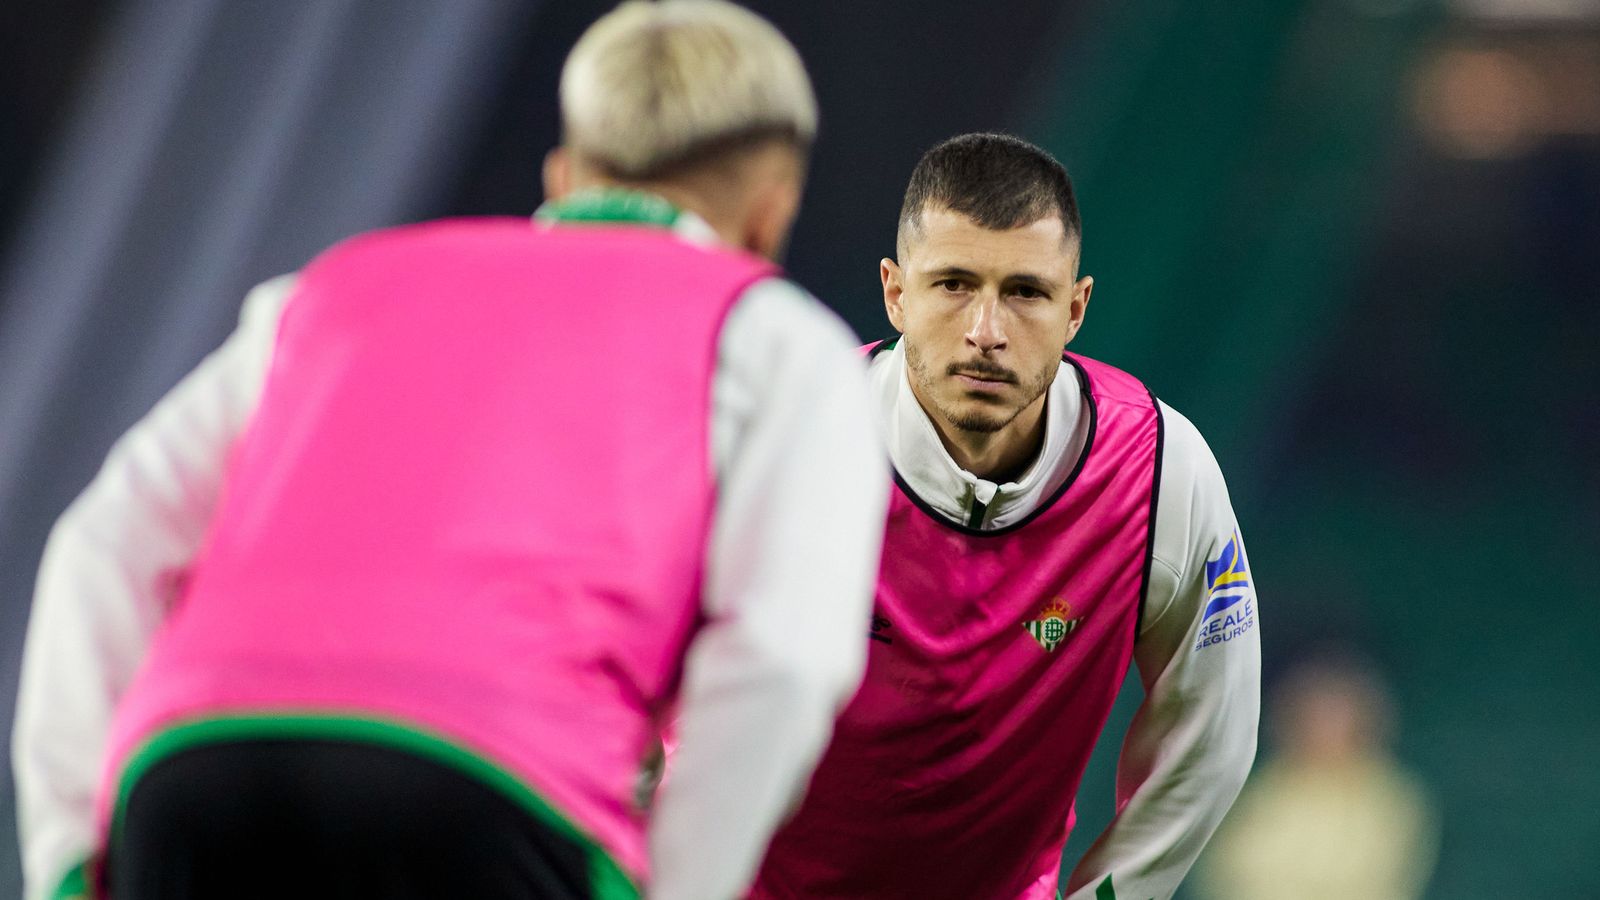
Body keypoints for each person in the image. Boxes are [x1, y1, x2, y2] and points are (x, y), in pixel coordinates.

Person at [11, 3, 888, 899]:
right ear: (769, 214)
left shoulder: (328, 291)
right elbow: (783, 655)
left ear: (564, 173)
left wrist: (68, 862)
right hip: (494, 791)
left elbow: (101, 544)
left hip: (195, 776)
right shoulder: (778, 339)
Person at [750, 133, 1261, 900]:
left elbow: (1210, 742)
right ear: (896, 294)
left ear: (1076, 309)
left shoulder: (1159, 474)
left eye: (1025, 292)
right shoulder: (784, 445)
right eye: (953, 284)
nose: (986, 331)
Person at [1195, 654, 1437, 900]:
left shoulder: (1392, 798)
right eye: (1315, 712)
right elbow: (1230, 873)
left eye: (1336, 713)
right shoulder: (1258, 793)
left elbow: (1377, 877)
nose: (1324, 725)